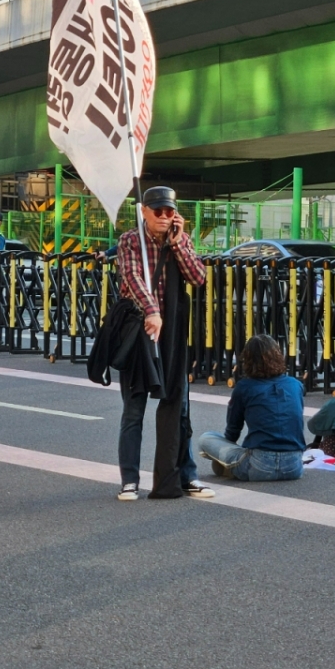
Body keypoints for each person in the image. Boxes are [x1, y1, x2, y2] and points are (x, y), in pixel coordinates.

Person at [113, 186, 213, 500]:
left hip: (172, 334)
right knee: (134, 409)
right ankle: (130, 479)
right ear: (143, 211)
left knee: (179, 407)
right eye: (158, 211)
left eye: (170, 211)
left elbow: (198, 278)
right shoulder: (131, 241)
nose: (164, 217)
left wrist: (179, 242)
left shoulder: (179, 239)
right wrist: (152, 310)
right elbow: (132, 278)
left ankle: (185, 476)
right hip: (140, 332)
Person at [197, 335, 306, 481]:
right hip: (294, 466)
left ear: (247, 360)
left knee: (206, 439)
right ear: (278, 356)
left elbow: (233, 431)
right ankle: (234, 467)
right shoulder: (295, 385)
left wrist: (229, 447)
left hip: (259, 464)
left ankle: (233, 467)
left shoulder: (244, 387)